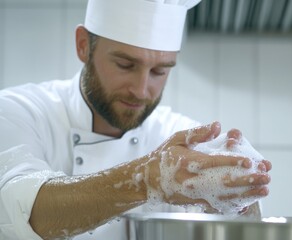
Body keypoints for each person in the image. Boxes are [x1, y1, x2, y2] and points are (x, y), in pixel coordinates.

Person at [0, 0, 272, 239]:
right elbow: (20, 211)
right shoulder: (19, 112)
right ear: (83, 45)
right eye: (125, 65)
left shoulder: (177, 138)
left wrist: (238, 200)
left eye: (159, 71)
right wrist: (147, 179)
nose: (141, 90)